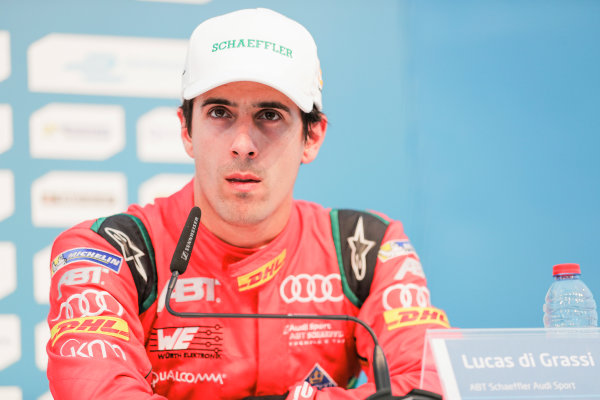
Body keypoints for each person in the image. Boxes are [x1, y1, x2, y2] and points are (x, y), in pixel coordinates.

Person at [46, 8, 449, 400]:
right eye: (219, 112)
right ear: (186, 130)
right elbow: (96, 389)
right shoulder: (107, 250)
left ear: (312, 137)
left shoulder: (366, 248)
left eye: (269, 115)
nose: (243, 145)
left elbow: (431, 381)